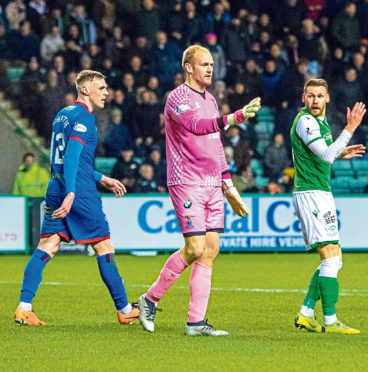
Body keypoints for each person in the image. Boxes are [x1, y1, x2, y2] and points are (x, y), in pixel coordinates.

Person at [137, 45, 261, 337]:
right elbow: (195, 126)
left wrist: (228, 185)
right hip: (186, 180)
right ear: (188, 67)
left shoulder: (212, 100)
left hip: (212, 183)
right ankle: (150, 299)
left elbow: (216, 144)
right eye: (203, 64)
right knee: (194, 247)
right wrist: (234, 118)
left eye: (211, 65)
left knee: (210, 251)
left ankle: (195, 323)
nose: (209, 69)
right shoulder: (177, 98)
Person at [14, 70, 139, 326]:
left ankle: (24, 307)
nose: (106, 92)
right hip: (78, 193)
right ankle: (124, 309)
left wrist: (100, 178)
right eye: (101, 88)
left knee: (47, 245)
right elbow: (71, 156)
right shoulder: (85, 116)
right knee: (104, 247)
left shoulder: (62, 115)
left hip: (56, 186)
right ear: (85, 90)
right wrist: (72, 193)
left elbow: (69, 159)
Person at [292, 78, 366, 334]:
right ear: (304, 98)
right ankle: (331, 321)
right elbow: (325, 154)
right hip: (311, 193)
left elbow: (323, 155)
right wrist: (350, 128)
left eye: (319, 96)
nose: (315, 100)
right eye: (310, 96)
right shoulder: (305, 121)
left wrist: (340, 152)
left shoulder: (319, 122)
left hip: (319, 192)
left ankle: (306, 313)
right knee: (331, 257)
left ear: (327, 98)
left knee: (333, 258)